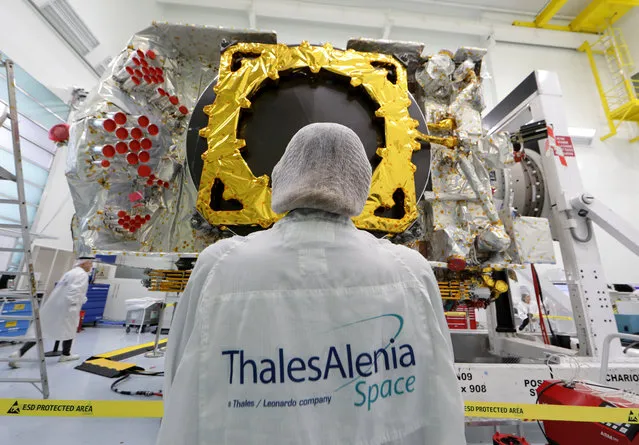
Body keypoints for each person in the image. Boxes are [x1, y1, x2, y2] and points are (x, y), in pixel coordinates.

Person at [157, 123, 466, 445]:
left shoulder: (220, 265)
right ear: (361, 182)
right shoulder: (409, 271)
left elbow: (179, 380)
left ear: (283, 175)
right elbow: (439, 393)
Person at [8, 257, 92, 368]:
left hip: (55, 305)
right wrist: (74, 306)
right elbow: (74, 291)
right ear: (84, 263)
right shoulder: (82, 274)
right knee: (70, 328)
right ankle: (65, 354)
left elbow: (66, 290)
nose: (91, 266)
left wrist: (82, 299)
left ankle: (18, 353)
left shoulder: (70, 273)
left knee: (43, 331)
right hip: (68, 307)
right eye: (90, 263)